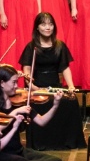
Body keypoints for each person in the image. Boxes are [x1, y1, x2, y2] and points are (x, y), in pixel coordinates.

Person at [19, 12, 85, 150]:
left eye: (50, 24)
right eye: (43, 24)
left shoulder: (60, 45)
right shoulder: (31, 47)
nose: (48, 27)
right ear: (37, 27)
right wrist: (34, 87)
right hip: (37, 87)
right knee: (38, 103)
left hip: (55, 86)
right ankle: (41, 143)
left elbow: (65, 68)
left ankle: (66, 141)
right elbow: (26, 71)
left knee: (71, 101)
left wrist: (71, 86)